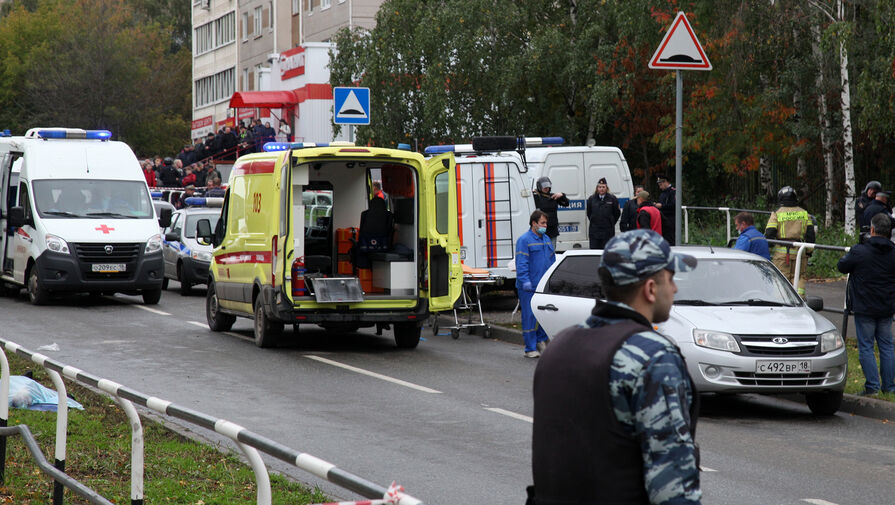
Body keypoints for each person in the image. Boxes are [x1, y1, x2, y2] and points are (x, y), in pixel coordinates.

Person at [531, 229, 700, 505]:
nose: (676, 288)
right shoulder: (653, 357)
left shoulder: (559, 346)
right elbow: (672, 484)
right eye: (671, 279)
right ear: (650, 288)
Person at [837, 212, 895, 395]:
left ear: (872, 229)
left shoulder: (860, 251)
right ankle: (889, 387)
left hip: (865, 306)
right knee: (887, 346)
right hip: (887, 306)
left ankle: (872, 387)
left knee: (866, 347)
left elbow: (842, 266)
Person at [515, 210, 555, 358]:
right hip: (529, 286)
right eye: (542, 223)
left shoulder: (546, 239)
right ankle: (530, 348)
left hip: (543, 285)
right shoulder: (524, 240)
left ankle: (540, 340)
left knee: (545, 316)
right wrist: (525, 280)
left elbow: (552, 261)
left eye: (546, 223)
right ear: (534, 223)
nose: (545, 225)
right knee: (529, 317)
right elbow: (522, 263)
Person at [765, 186, 815, 297]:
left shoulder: (777, 213)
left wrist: (769, 248)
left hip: (782, 254)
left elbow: (769, 234)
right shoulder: (805, 213)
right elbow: (811, 236)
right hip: (800, 253)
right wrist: (809, 252)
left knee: (781, 280)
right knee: (800, 277)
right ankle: (799, 301)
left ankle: (782, 302)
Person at [532, 177, 569, 250]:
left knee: (551, 250)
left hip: (552, 228)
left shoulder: (553, 196)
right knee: (541, 250)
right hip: (541, 228)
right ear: (539, 187)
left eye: (548, 186)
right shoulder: (536, 196)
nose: (546, 188)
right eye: (544, 186)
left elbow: (566, 203)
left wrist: (562, 195)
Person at [585, 177, 620, 249]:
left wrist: (611, 222)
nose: (601, 189)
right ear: (597, 188)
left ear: (606, 188)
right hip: (595, 231)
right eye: (600, 187)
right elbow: (589, 213)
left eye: (603, 187)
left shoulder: (612, 199)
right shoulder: (591, 199)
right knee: (594, 253)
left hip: (608, 232)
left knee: (606, 253)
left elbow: (617, 213)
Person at [655, 176, 677, 245]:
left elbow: (674, 205)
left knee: (670, 239)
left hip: (670, 219)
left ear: (666, 182)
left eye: (661, 185)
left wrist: (662, 206)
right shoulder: (663, 193)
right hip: (663, 219)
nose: (660, 187)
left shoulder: (673, 192)